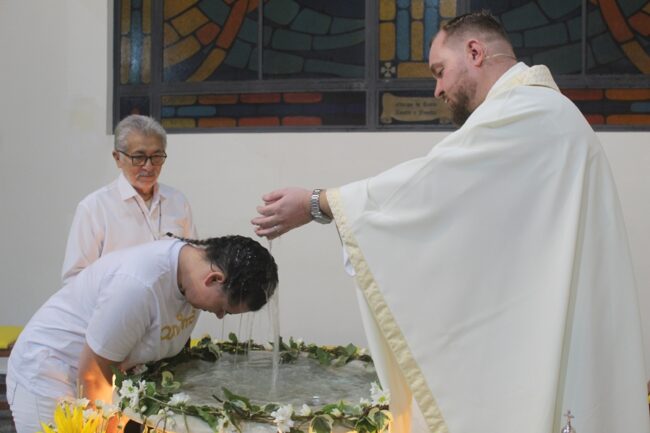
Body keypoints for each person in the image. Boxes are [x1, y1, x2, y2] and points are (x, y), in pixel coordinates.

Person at [251, 11, 650, 433]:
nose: (437, 89)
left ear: (475, 52)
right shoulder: (542, 111)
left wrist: (317, 203)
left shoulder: (527, 112)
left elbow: (428, 186)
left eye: (439, 71)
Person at [6, 235, 278, 433]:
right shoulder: (138, 286)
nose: (219, 316)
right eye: (223, 309)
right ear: (214, 279)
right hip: (51, 372)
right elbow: (93, 373)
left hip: (104, 374)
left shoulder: (191, 278)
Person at [61, 114, 197, 285]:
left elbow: (193, 263)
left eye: (157, 156)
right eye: (139, 157)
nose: (149, 166)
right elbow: (74, 278)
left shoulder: (177, 201)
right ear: (117, 158)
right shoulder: (95, 207)